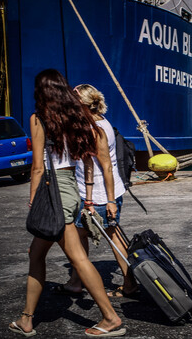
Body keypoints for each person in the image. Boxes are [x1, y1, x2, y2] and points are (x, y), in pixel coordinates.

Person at [8, 69, 125, 337]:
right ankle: (26, 320)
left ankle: (110, 318)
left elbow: (37, 167)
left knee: (78, 259)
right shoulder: (75, 120)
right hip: (70, 186)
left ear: (42, 92)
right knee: (35, 254)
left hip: (54, 190)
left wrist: (33, 201)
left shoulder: (39, 119)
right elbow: (87, 160)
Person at [54, 84, 138, 298]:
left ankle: (128, 284)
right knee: (104, 236)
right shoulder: (98, 123)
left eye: (74, 99)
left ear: (82, 103)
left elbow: (106, 166)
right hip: (99, 193)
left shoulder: (96, 128)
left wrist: (109, 201)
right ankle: (77, 281)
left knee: (90, 236)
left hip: (100, 195)